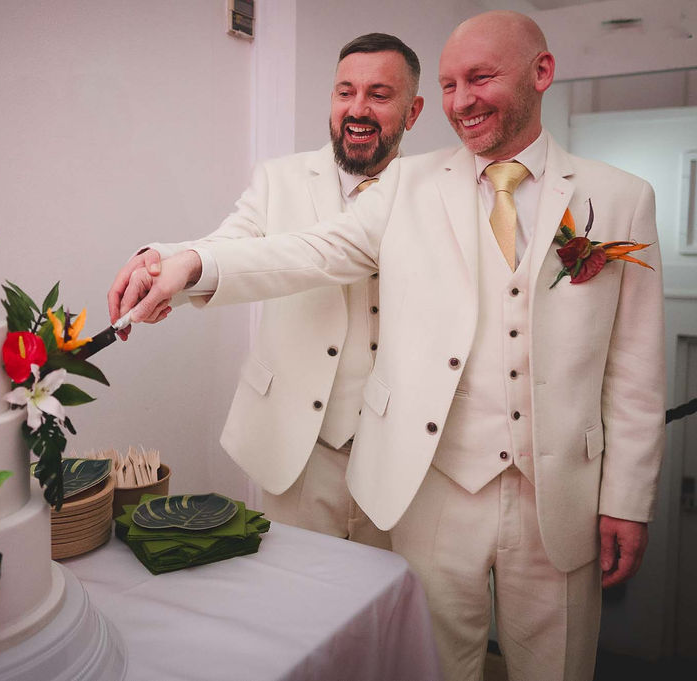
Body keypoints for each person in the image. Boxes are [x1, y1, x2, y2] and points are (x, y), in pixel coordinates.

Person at [110, 11, 664, 681]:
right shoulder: (409, 183)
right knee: (429, 667)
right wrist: (188, 262)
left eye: (480, 78)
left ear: (541, 73)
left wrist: (626, 498)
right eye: (452, 83)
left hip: (561, 500)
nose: (463, 101)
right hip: (437, 491)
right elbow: (310, 249)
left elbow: (633, 367)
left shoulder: (621, 199)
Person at [108, 34, 424, 548]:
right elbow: (231, 244)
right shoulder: (279, 178)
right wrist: (161, 261)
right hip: (296, 445)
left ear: (413, 112)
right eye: (345, 92)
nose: (357, 109)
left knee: (387, 603)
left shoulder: (431, 190)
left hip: (397, 452)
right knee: (295, 599)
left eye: (379, 95)